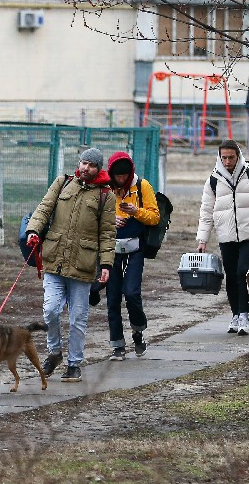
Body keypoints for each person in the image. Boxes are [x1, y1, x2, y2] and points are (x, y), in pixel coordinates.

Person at [25, 147, 116, 382]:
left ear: (99, 168)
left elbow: (107, 233)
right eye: (83, 163)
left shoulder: (106, 195)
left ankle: (74, 364)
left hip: (83, 266)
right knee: (50, 310)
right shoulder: (63, 182)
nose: (85, 168)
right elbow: (43, 209)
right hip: (55, 260)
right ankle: (54, 352)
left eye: (91, 165)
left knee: (78, 319)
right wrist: (33, 230)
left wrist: (106, 264)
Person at [196, 140, 249, 336]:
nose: (227, 161)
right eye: (223, 157)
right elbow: (206, 212)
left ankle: (244, 314)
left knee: (242, 272)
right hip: (226, 235)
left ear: (238, 156)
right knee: (231, 276)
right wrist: (202, 240)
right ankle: (235, 314)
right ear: (219, 157)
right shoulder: (213, 180)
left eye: (231, 157)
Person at [104, 151, 160, 361]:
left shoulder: (142, 186)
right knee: (113, 298)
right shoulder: (105, 189)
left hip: (135, 248)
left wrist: (136, 211)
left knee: (132, 293)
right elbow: (95, 216)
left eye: (124, 176)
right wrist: (112, 219)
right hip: (111, 250)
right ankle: (117, 345)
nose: (121, 180)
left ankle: (138, 331)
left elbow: (154, 217)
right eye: (117, 176)